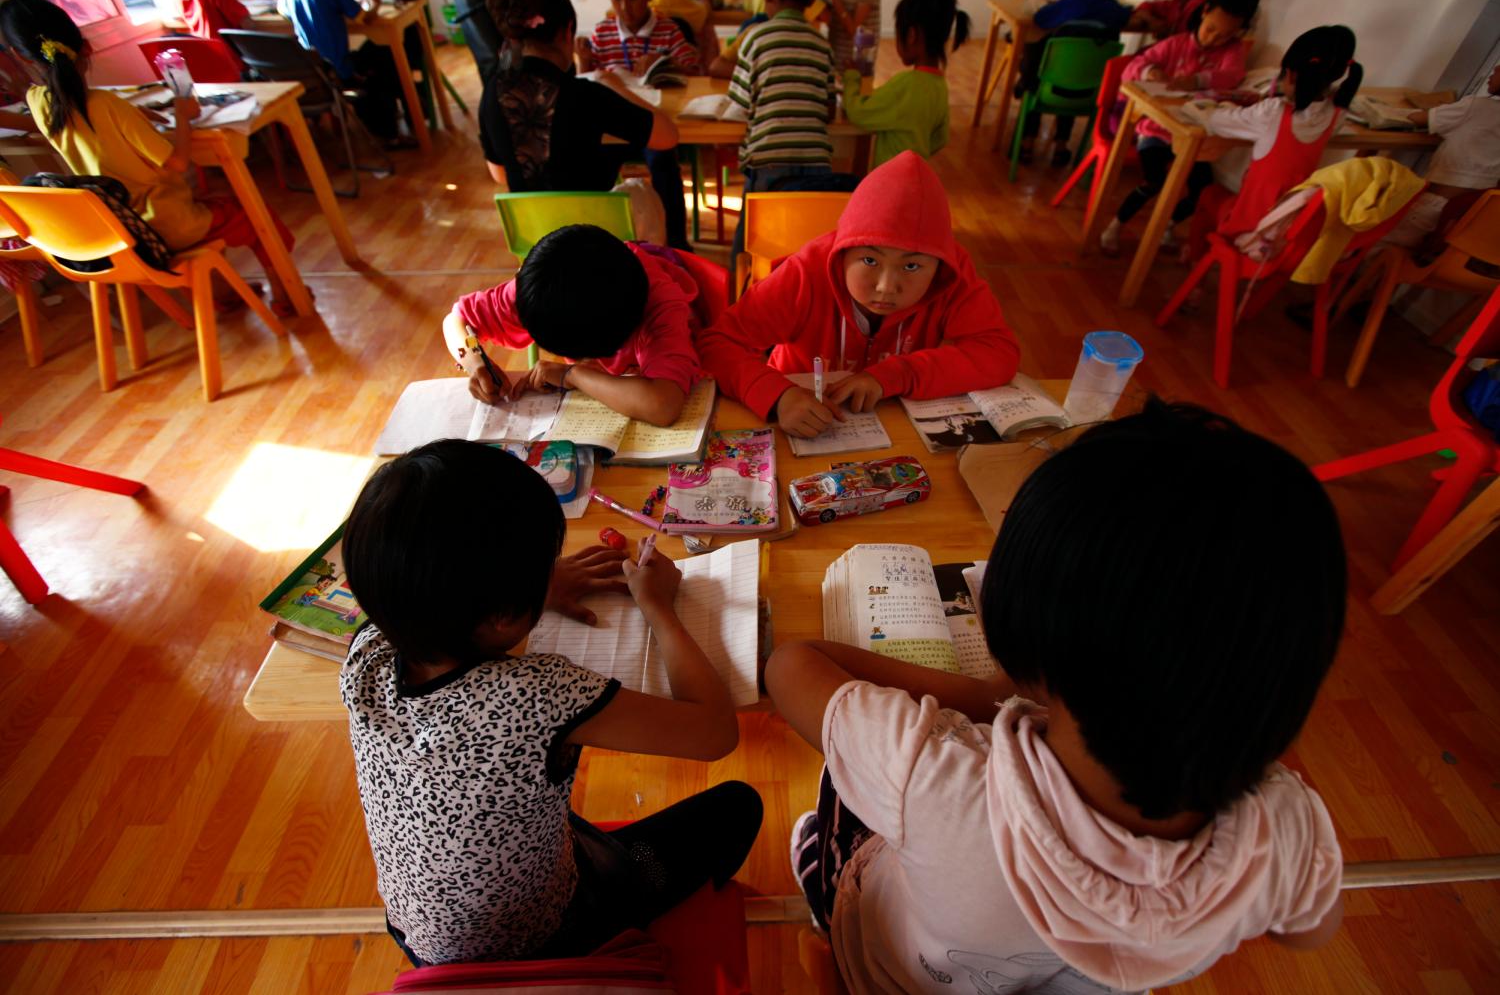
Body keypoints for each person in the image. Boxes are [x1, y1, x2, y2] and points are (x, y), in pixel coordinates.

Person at [766, 400, 1346, 994]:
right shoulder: (1284, 827)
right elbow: (1310, 931)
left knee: (842, 783)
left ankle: (822, 881)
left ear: (1031, 647)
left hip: (886, 972)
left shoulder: (936, 777)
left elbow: (791, 666)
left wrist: (993, 697)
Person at [341, 439, 762, 966]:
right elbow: (714, 733)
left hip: (420, 932)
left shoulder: (367, 651)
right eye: (546, 565)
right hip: (536, 940)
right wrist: (659, 608)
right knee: (737, 807)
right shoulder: (535, 695)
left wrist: (530, 587)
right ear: (500, 614)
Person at [0, 0, 296, 314]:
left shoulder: (38, 102)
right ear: (85, 47)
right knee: (251, 211)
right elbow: (179, 162)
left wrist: (135, 116)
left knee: (212, 203)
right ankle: (286, 295)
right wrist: (182, 114)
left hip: (123, 229)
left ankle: (224, 295)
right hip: (166, 224)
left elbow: (69, 121)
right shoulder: (107, 104)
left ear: (18, 56)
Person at [698, 150, 1021, 438]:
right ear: (843, 252)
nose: (885, 286)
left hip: (892, 420)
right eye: (869, 260)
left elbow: (998, 353)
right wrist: (778, 395)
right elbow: (716, 343)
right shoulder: (806, 273)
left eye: (912, 267)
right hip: (796, 417)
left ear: (938, 265)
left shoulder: (953, 272)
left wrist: (897, 374)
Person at [481, 0, 689, 249]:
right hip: (595, 241)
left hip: (537, 246)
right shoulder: (584, 95)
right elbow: (667, 136)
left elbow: (500, 174)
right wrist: (619, 88)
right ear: (568, 31)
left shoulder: (492, 92)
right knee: (642, 193)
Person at [443, 224, 701, 426]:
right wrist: (476, 364)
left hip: (689, 369)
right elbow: (456, 320)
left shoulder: (660, 308)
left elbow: (663, 405)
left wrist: (572, 374)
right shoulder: (542, 286)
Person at [1184, 25, 1363, 263]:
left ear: (1289, 74)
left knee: (1209, 194)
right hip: (1285, 230)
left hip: (1250, 227)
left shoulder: (1273, 112)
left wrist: (1220, 106)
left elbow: (1214, 121)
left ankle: (1194, 267)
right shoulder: (1336, 116)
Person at [1097, 0, 1258, 257]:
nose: (1213, 39)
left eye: (1225, 35)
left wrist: (1197, 80)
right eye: (1211, 29)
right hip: (1156, 129)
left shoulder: (1232, 50)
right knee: (1154, 180)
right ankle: (1115, 225)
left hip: (1193, 137)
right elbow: (1133, 68)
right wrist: (1150, 71)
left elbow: (1232, 75)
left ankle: (1167, 226)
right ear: (1204, 12)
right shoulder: (1176, 43)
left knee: (1203, 190)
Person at [1383, 60, 1500, 252]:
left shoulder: (1476, 107)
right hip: (1467, 219)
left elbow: (1420, 118)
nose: (1491, 74)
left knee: (1375, 238)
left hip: (1431, 206)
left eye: (1497, 71)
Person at [840, 0, 968, 168]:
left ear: (911, 35)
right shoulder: (940, 86)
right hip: (915, 178)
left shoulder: (905, 85)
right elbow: (941, 138)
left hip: (890, 183)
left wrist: (851, 78)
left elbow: (858, 112)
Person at [278, 0, 423, 148]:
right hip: (337, 72)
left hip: (313, 72)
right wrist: (376, 3)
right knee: (390, 53)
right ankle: (393, 131)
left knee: (378, 53)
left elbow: (283, 13)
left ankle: (400, 116)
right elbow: (362, 18)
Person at [728, 0, 838, 194]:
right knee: (808, 224)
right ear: (812, 0)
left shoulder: (756, 38)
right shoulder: (823, 45)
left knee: (756, 224)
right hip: (816, 160)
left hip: (768, 158)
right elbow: (829, 110)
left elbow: (740, 104)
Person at [1013, 0, 1132, 168]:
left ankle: (1027, 143)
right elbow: (1127, 16)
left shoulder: (1070, 4)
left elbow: (1041, 20)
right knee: (1075, 76)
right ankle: (1061, 146)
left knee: (1040, 73)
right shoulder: (1113, 8)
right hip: (1089, 94)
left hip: (1049, 90)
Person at [578, 0, 701, 75]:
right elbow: (585, 85)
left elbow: (696, 73)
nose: (624, 7)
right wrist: (584, 60)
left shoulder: (669, 31)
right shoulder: (601, 33)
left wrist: (665, 63)